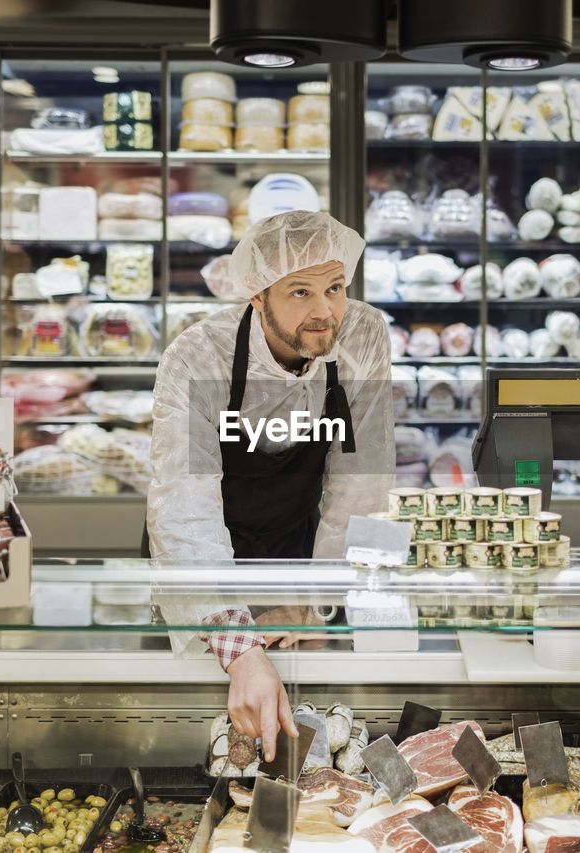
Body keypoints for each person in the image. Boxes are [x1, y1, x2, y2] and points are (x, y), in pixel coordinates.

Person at [147, 210, 395, 760]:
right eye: (300, 292)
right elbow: (183, 507)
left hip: (300, 551)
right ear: (257, 296)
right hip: (205, 558)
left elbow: (362, 482)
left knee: (313, 732)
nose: (324, 311)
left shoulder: (362, 333)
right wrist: (238, 646)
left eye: (335, 287)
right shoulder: (197, 356)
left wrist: (316, 601)